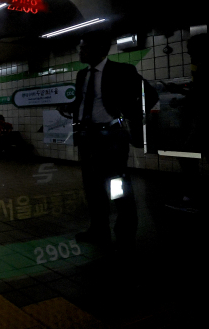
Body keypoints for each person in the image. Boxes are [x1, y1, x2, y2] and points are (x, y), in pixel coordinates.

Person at [58, 30, 158, 252]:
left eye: (83, 47)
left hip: (111, 138)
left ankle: (125, 230)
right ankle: (98, 229)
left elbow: (149, 94)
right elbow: (85, 102)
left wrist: (127, 114)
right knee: (92, 187)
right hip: (87, 138)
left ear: (99, 49)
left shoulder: (122, 71)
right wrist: (71, 108)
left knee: (117, 186)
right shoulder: (82, 75)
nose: (79, 51)